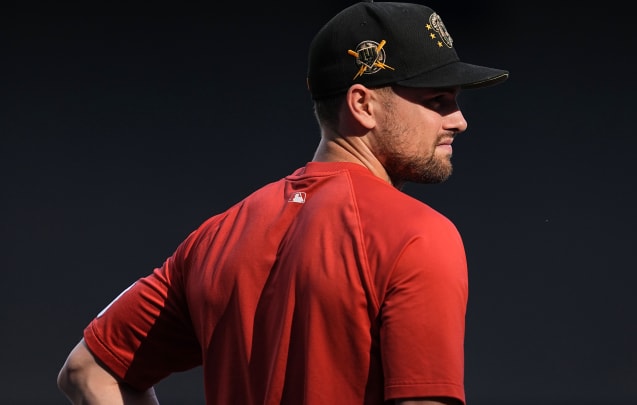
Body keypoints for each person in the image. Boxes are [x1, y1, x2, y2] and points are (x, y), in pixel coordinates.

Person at [56, 1, 508, 404]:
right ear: (363, 104)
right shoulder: (417, 237)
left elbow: (87, 372)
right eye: (436, 100)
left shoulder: (214, 238)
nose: (459, 120)